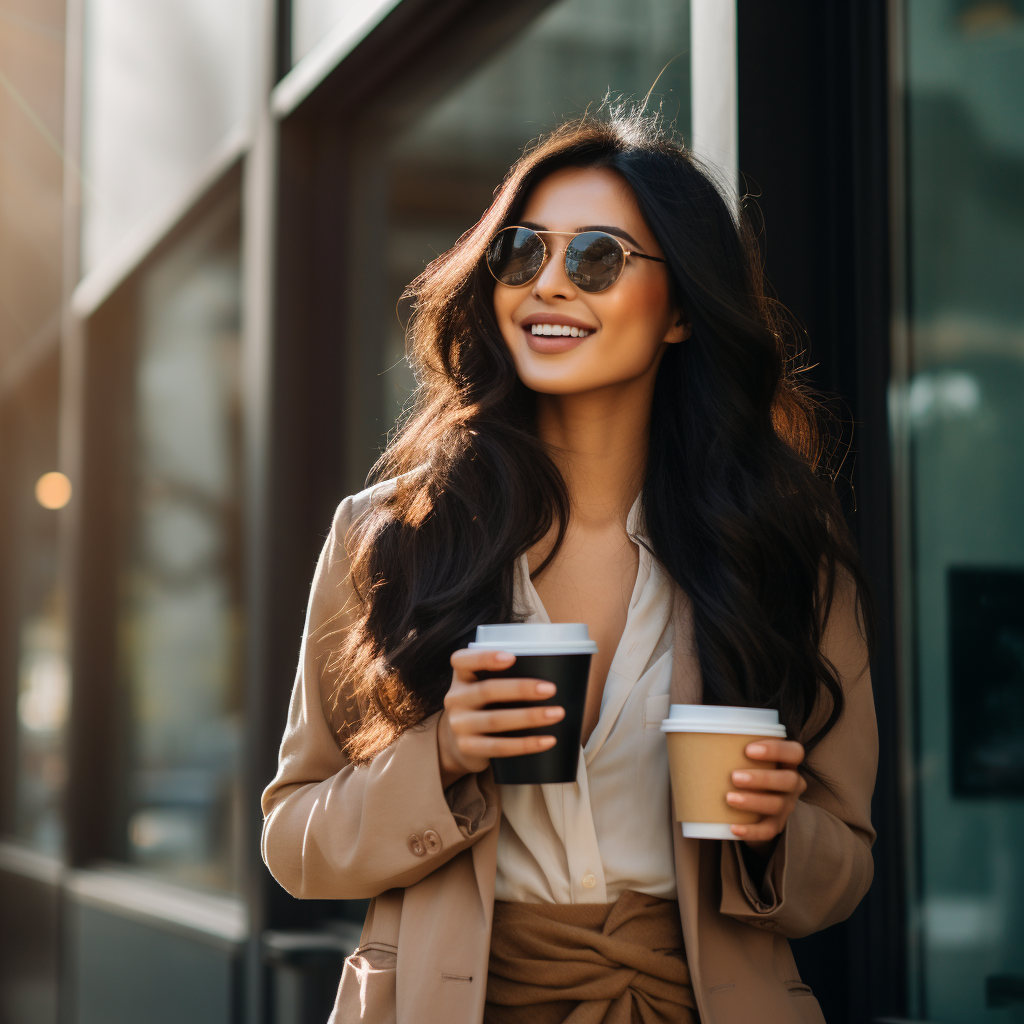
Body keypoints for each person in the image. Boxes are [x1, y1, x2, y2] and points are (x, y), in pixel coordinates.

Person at [261, 110, 877, 1024]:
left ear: (678, 313)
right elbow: (293, 842)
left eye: (597, 258)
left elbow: (847, 867)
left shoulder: (780, 546)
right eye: (521, 254)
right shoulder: (388, 536)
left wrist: (775, 829)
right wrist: (445, 754)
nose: (547, 285)